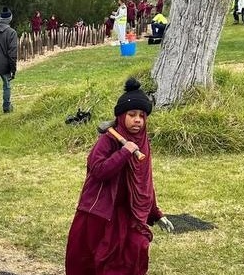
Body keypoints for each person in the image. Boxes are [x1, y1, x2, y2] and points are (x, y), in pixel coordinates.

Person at [64, 78, 173, 275]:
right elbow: (98, 171)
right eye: (132, 115)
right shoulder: (107, 141)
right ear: (122, 116)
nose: (138, 119)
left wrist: (155, 213)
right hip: (100, 213)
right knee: (92, 262)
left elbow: (144, 181)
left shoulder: (143, 143)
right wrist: (124, 153)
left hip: (127, 212)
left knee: (135, 250)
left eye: (142, 115)